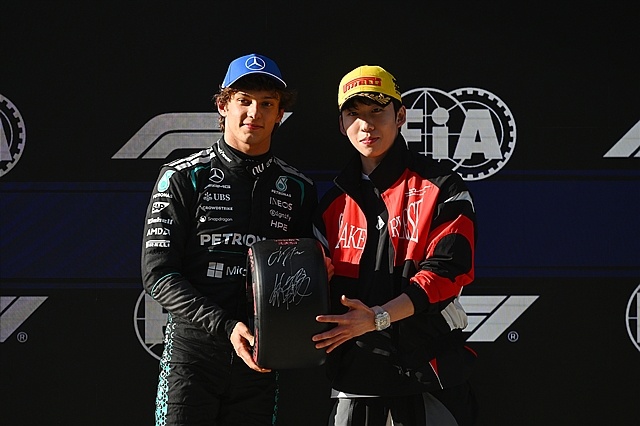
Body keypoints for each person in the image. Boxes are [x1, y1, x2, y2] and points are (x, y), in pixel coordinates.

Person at [141, 53, 318, 426]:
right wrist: (226, 326)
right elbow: (158, 275)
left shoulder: (298, 188)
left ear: (280, 114)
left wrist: (319, 273)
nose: (255, 112)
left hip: (260, 360)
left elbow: (300, 280)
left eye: (267, 104)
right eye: (244, 100)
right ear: (223, 106)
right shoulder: (182, 176)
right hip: (193, 357)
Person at [312, 65, 478, 426]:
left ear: (400, 115)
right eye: (354, 114)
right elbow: (312, 291)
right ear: (341, 124)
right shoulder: (330, 205)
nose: (366, 124)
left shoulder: (442, 186)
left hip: (430, 376)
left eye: (377, 111)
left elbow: (449, 271)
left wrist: (378, 317)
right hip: (355, 380)